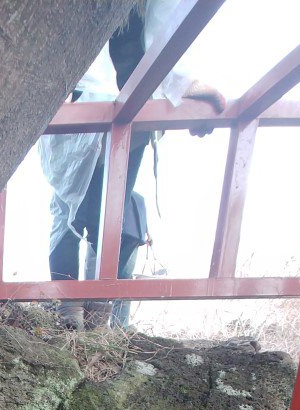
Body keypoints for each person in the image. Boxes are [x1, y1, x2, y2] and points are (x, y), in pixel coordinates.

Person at [38, 0, 225, 330]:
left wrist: (183, 87)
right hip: (81, 98)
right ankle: (70, 314)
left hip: (134, 105)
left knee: (111, 214)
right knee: (69, 210)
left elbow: (166, 23)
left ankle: (96, 317)